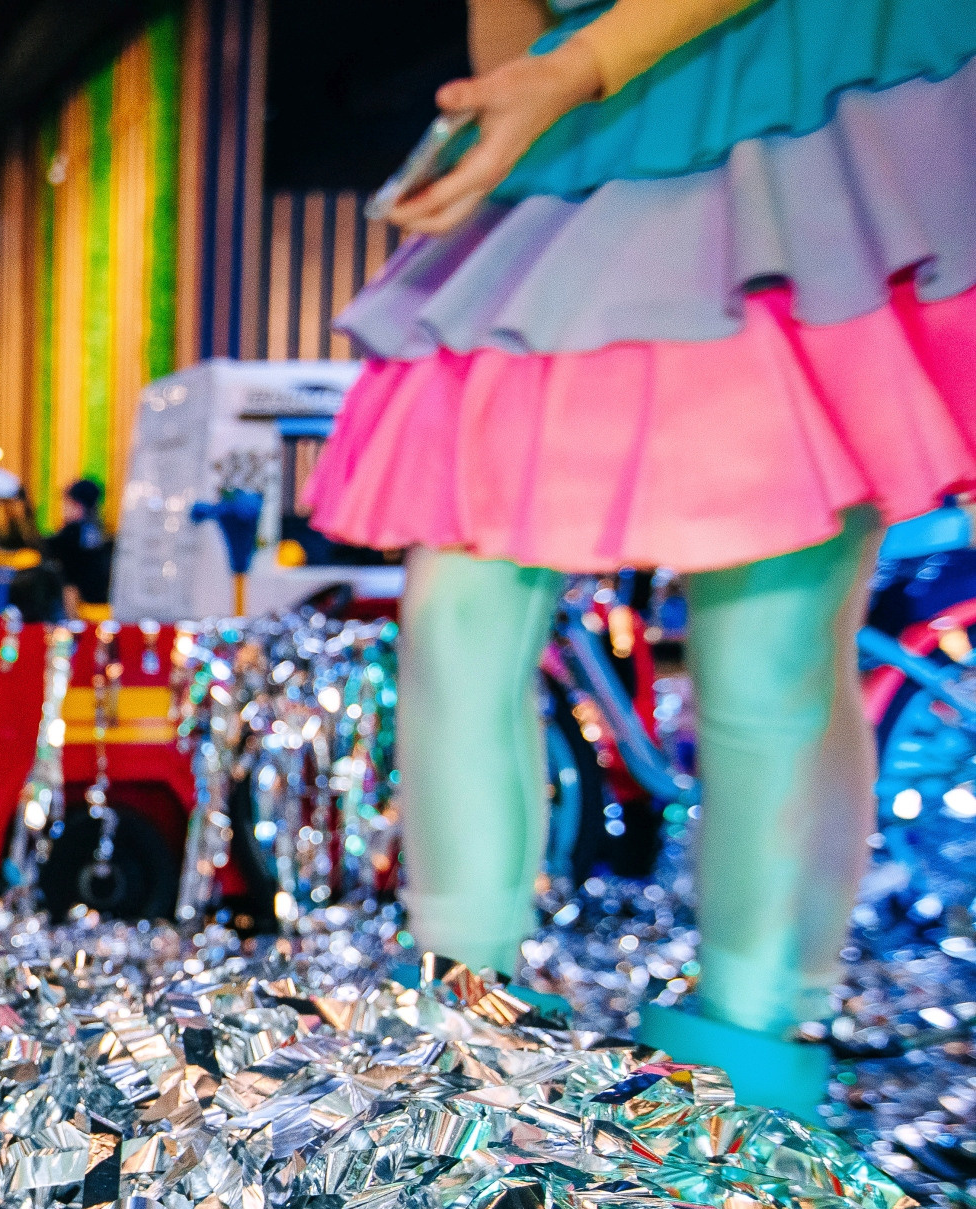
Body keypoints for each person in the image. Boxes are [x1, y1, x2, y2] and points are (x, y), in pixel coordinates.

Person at [309, 0, 976, 1110]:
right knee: (456, 608)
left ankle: (752, 1060)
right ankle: (455, 1026)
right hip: (584, 124)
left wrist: (566, 72)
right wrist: (519, 96)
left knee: (769, 644)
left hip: (790, 94)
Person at [49, 478, 114, 618]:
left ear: (78, 505)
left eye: (66, 503)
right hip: (104, 607)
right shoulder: (100, 532)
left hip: (78, 605)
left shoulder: (71, 533)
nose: (63, 508)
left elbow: (69, 578)